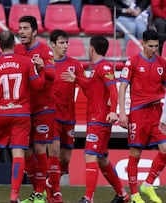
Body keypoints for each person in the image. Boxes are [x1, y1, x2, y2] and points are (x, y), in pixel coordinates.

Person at [0, 30, 45, 203]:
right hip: (21, 113)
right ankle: (14, 194)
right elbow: (38, 86)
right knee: (18, 153)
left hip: (1, 113)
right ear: (14, 45)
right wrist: (42, 70)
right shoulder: (26, 62)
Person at [62, 36, 129, 203]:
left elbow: (112, 89)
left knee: (90, 156)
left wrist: (114, 111)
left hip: (99, 119)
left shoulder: (104, 66)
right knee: (102, 159)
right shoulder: (97, 68)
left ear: (91, 48)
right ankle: (123, 195)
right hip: (96, 118)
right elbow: (92, 89)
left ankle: (88, 198)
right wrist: (76, 79)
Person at [118, 29, 166, 203]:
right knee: (135, 152)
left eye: (157, 46)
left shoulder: (162, 63)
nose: (154, 49)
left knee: (165, 149)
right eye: (151, 46)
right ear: (143, 43)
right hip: (138, 113)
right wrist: (122, 112)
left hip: (157, 114)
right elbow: (122, 87)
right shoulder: (132, 62)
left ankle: (148, 184)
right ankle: (135, 194)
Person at [15, 16, 58, 203]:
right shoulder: (16, 50)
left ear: (34, 32)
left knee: (40, 146)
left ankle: (40, 192)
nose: (21, 31)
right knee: (25, 151)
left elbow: (53, 74)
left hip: (43, 107)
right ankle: (37, 190)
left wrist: (42, 66)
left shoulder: (45, 50)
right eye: (20, 28)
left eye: (25, 28)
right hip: (24, 107)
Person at [49, 29, 86, 184]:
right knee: (55, 150)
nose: (65, 46)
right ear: (52, 45)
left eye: (66, 43)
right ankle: (52, 190)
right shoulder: (46, 65)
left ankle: (48, 183)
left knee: (65, 157)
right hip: (52, 116)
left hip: (69, 117)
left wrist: (77, 79)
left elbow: (88, 86)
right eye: (61, 43)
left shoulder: (74, 64)